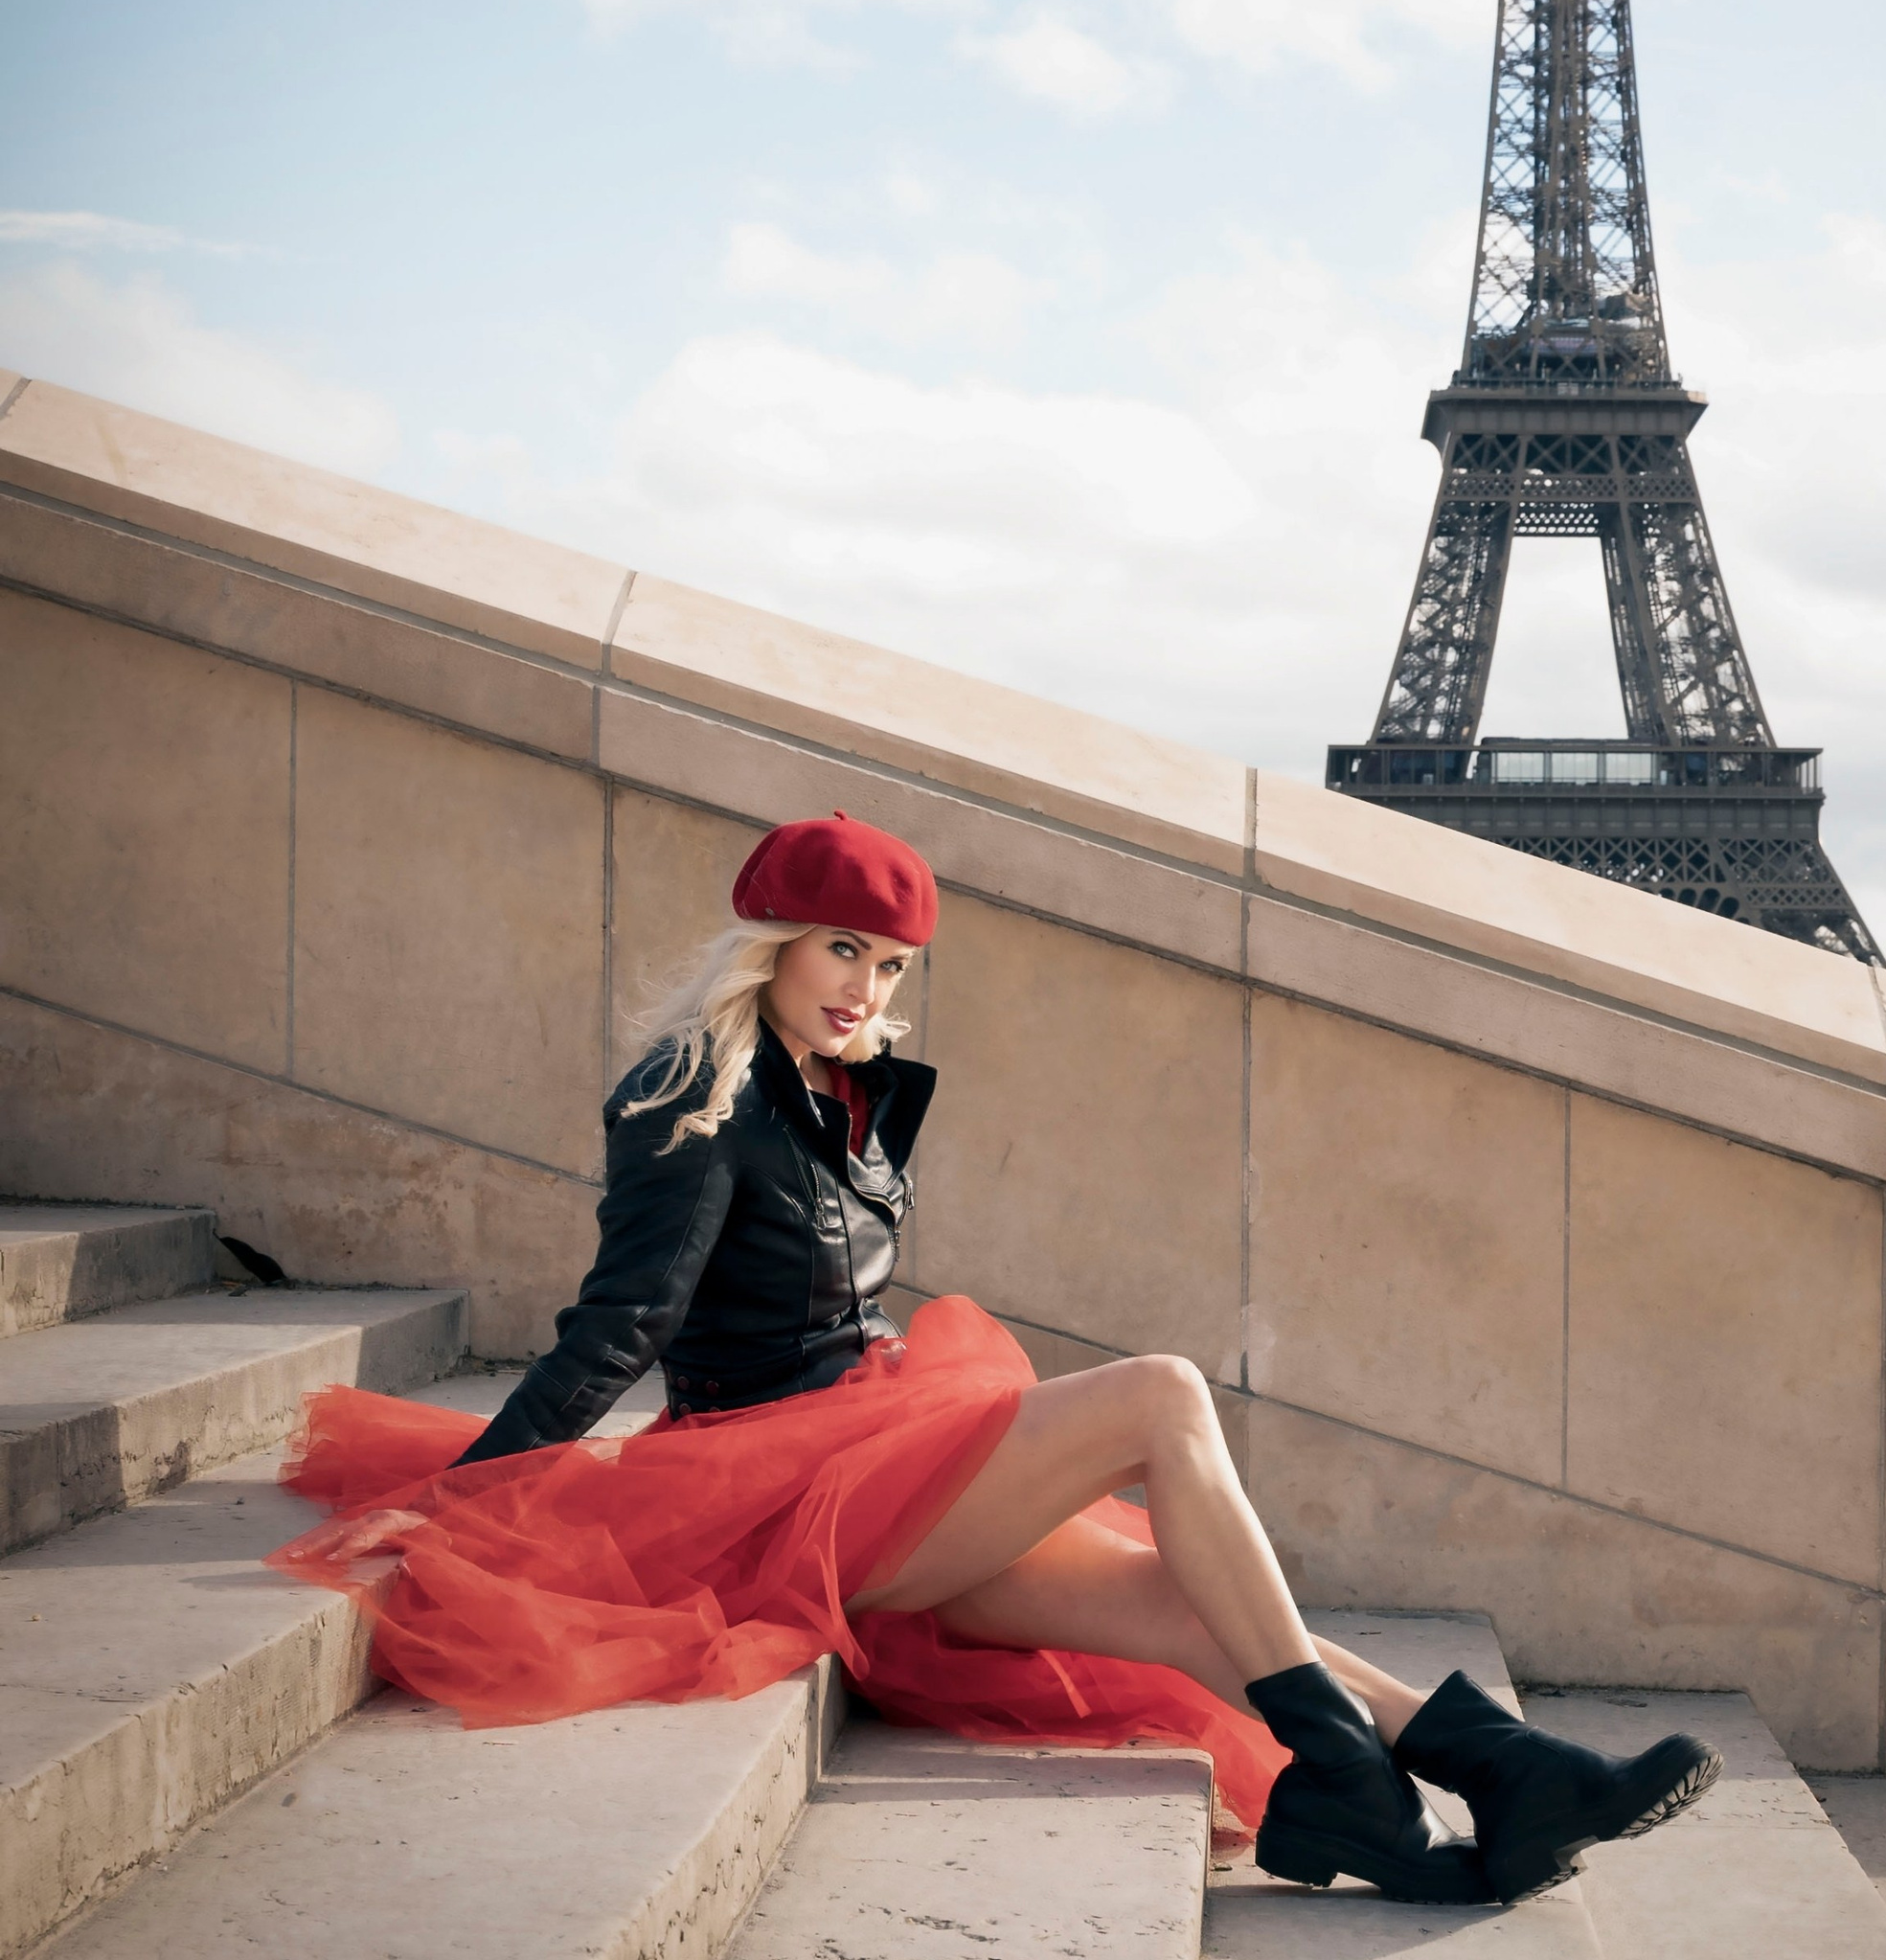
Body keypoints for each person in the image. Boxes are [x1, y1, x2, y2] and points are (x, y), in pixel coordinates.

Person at [274, 811, 1717, 1903]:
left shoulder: (841, 1090)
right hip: (785, 1501)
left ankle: (1490, 1775)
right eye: (842, 948)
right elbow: (625, 1323)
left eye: (891, 964)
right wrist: (477, 1490)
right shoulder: (691, 1090)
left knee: (1173, 1597)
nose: (864, 985)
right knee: (1160, 1393)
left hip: (871, 1447)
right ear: (770, 939)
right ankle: (1366, 1775)